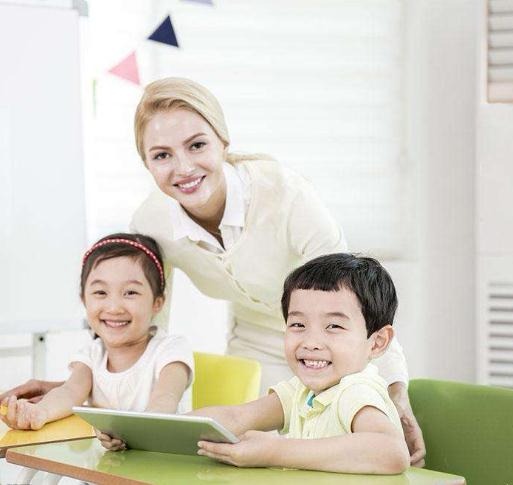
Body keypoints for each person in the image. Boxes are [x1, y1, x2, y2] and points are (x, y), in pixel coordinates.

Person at [0, 78, 425, 466]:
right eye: (162, 155)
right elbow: (145, 329)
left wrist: (395, 393)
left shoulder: (288, 196)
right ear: (146, 163)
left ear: (223, 140)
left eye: (197, 145)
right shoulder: (152, 222)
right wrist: (86, 386)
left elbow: (354, 306)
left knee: (318, 448)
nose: (183, 168)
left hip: (332, 342)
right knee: (249, 457)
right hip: (256, 343)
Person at [189, 253, 409, 474]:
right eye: (298, 324)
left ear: (377, 342)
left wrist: (275, 451)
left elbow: (392, 452)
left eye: (333, 326)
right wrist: (169, 426)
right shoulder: (301, 392)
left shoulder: (356, 391)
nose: (311, 342)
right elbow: (237, 417)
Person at [0, 234, 193, 437]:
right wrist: (39, 413)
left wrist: (134, 433)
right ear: (84, 299)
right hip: (109, 456)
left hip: (162, 453)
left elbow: (165, 399)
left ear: (157, 303)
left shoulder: (171, 350)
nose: (114, 307)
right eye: (101, 292)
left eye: (130, 293)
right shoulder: (91, 355)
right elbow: (69, 392)